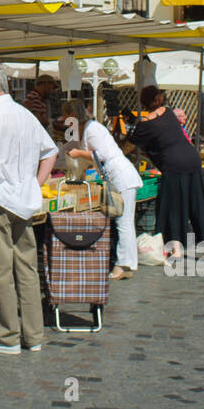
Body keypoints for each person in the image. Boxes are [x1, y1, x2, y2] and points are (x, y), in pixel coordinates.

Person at [0, 66, 56, 354]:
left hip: (0, 199)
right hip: (24, 201)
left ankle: (6, 337)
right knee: (28, 269)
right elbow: (51, 151)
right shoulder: (26, 114)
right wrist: (35, 184)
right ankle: (33, 336)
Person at [128, 85, 204, 258]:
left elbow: (130, 143)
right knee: (198, 202)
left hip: (173, 164)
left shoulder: (146, 124)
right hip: (192, 159)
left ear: (143, 102)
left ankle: (175, 248)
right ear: (159, 99)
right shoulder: (168, 112)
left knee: (173, 206)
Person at [63, 98, 144, 279]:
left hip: (121, 177)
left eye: (66, 116)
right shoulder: (84, 130)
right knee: (122, 221)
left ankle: (123, 265)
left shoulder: (93, 129)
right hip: (114, 177)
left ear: (74, 115)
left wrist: (78, 154)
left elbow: (102, 155)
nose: (64, 119)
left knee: (123, 222)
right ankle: (126, 263)